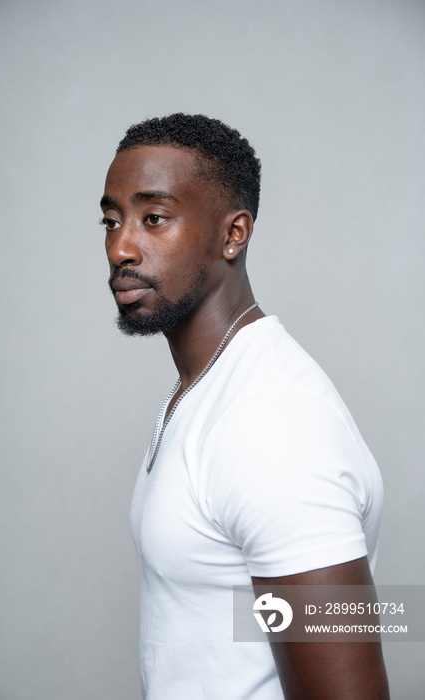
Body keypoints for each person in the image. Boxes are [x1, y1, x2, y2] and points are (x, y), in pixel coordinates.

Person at [100, 113, 389, 699]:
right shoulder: (208, 388)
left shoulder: (272, 421)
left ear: (234, 234)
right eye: (111, 220)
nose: (120, 247)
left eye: (153, 218)